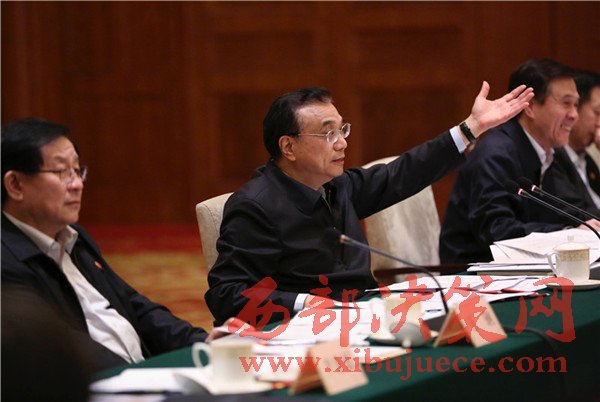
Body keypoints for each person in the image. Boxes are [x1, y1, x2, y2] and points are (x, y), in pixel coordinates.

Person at [206, 83, 534, 326]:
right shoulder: (255, 207)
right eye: (328, 134)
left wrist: (471, 128)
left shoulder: (337, 185)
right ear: (288, 147)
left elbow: (405, 172)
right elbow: (228, 294)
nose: (342, 143)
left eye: (342, 130)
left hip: (367, 316)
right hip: (310, 335)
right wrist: (306, 303)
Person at [1, 118, 235, 371]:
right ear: (15, 185)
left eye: (77, 171)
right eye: (61, 172)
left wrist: (200, 342)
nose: (77, 184)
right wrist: (142, 379)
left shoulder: (72, 236)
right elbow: (62, 350)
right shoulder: (7, 263)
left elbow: (132, 305)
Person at [439, 59, 600, 264]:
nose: (574, 115)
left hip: (526, 268)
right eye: (566, 103)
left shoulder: (549, 154)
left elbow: (567, 214)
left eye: (576, 105)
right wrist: (569, 233)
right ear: (530, 106)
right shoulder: (496, 154)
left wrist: (583, 228)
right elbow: (496, 230)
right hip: (474, 273)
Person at [551, 70, 600, 217]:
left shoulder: (588, 161)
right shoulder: (552, 159)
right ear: (575, 109)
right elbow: (579, 214)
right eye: (598, 113)